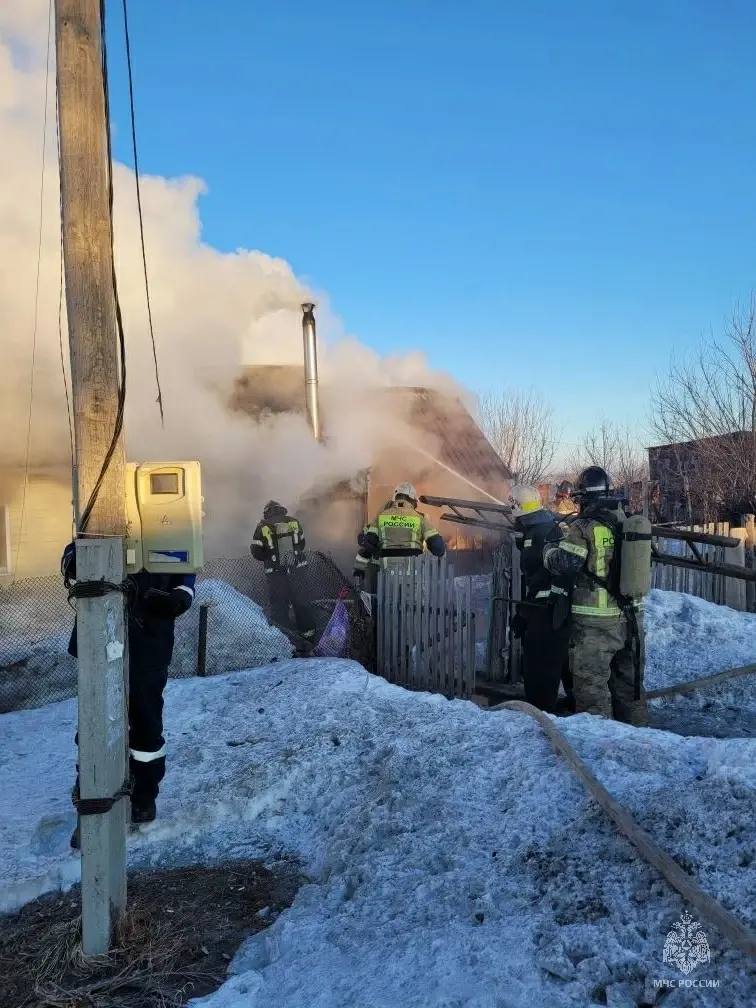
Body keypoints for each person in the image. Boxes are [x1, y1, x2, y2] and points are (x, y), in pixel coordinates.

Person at [62, 541, 196, 841]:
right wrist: (74, 560)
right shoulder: (99, 522)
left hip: (149, 639)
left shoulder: (170, 530)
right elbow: (75, 550)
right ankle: (92, 805)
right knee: (95, 724)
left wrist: (181, 594)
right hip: (98, 635)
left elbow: (185, 564)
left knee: (146, 722)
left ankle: (143, 799)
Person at [542, 466, 648, 726]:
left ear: (583, 496)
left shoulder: (583, 527)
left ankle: (600, 745)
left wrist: (548, 552)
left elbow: (566, 564)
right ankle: (641, 739)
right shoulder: (627, 522)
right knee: (630, 690)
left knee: (592, 692)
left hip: (596, 626)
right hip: (632, 621)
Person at [508, 484, 572, 714]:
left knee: (539, 664)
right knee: (561, 661)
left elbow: (539, 580)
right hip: (559, 608)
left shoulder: (537, 535)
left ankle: (540, 713)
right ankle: (571, 706)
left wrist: (525, 613)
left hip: (546, 611)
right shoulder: (548, 525)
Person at [354, 482, 445, 590]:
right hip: (413, 577)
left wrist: (358, 570)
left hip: (387, 577)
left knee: (387, 599)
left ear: (395, 497)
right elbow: (438, 547)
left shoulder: (381, 517)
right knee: (414, 600)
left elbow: (368, 545)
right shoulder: (420, 518)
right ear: (412, 499)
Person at [251, 500, 315, 640]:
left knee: (279, 604)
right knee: (301, 601)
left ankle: (284, 638)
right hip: (297, 569)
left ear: (266, 512)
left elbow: (256, 552)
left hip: (276, 573)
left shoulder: (262, 526)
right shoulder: (293, 522)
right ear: (281, 509)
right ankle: (308, 635)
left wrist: (270, 557)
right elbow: (302, 543)